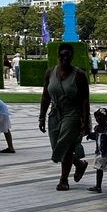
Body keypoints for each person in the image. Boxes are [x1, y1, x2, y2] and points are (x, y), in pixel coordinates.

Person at [39, 42, 90, 190]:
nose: (65, 58)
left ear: (72, 57)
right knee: (57, 146)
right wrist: (42, 117)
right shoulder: (50, 73)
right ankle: (79, 164)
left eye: (68, 56)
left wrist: (85, 121)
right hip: (55, 113)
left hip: (72, 114)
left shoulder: (79, 75)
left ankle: (63, 180)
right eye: (62, 55)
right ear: (58, 56)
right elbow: (45, 96)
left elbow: (85, 100)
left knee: (65, 146)